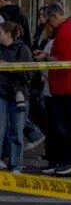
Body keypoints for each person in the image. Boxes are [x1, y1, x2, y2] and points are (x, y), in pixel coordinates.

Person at [35, 3, 71, 175]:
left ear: (55, 16)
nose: (49, 24)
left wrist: (47, 59)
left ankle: (69, 160)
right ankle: (65, 160)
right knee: (63, 125)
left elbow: (64, 61)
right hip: (65, 86)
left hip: (65, 86)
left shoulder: (65, 32)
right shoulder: (68, 30)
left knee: (65, 126)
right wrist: (48, 56)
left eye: (49, 20)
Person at [0, 22, 33, 173]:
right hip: (1, 93)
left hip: (18, 95)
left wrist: (8, 66)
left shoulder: (22, 49)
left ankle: (16, 164)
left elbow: (28, 73)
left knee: (16, 131)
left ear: (8, 33)